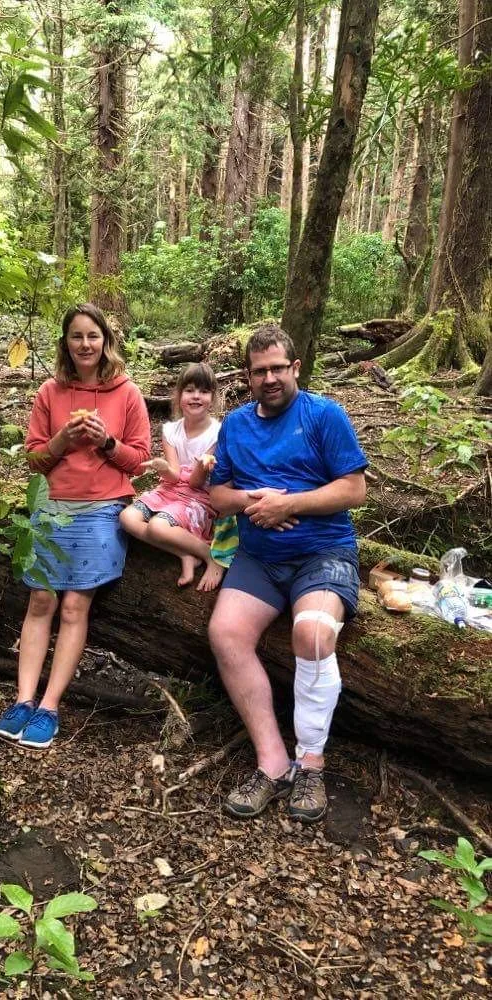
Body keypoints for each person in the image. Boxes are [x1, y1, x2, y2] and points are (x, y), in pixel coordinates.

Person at [208, 323, 367, 823]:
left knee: (315, 634)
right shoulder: (235, 425)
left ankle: (312, 762)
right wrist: (255, 502)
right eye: (260, 371)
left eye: (279, 368)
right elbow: (217, 498)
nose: (270, 378)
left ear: (295, 368)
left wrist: (290, 504)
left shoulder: (323, 416)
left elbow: (353, 489)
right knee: (225, 633)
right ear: (248, 377)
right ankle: (273, 763)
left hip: (323, 553)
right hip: (259, 560)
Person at [0, 304, 151, 750]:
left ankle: (49, 706)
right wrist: (63, 438)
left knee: (74, 607)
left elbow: (139, 461)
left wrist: (106, 442)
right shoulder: (50, 391)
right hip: (52, 505)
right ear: (65, 343)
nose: (85, 344)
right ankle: (23, 699)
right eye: (77, 336)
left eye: (93, 336)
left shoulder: (127, 394)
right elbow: (34, 458)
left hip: (102, 507)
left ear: (106, 342)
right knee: (41, 599)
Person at [120, 363, 224, 592]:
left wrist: (202, 467)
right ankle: (185, 553)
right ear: (178, 395)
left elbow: (196, 483)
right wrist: (163, 468)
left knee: (158, 527)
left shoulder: (217, 433)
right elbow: (174, 475)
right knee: (127, 518)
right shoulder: (171, 431)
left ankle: (210, 554)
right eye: (190, 390)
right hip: (171, 490)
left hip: (198, 495)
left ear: (213, 397)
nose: (196, 397)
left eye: (204, 391)